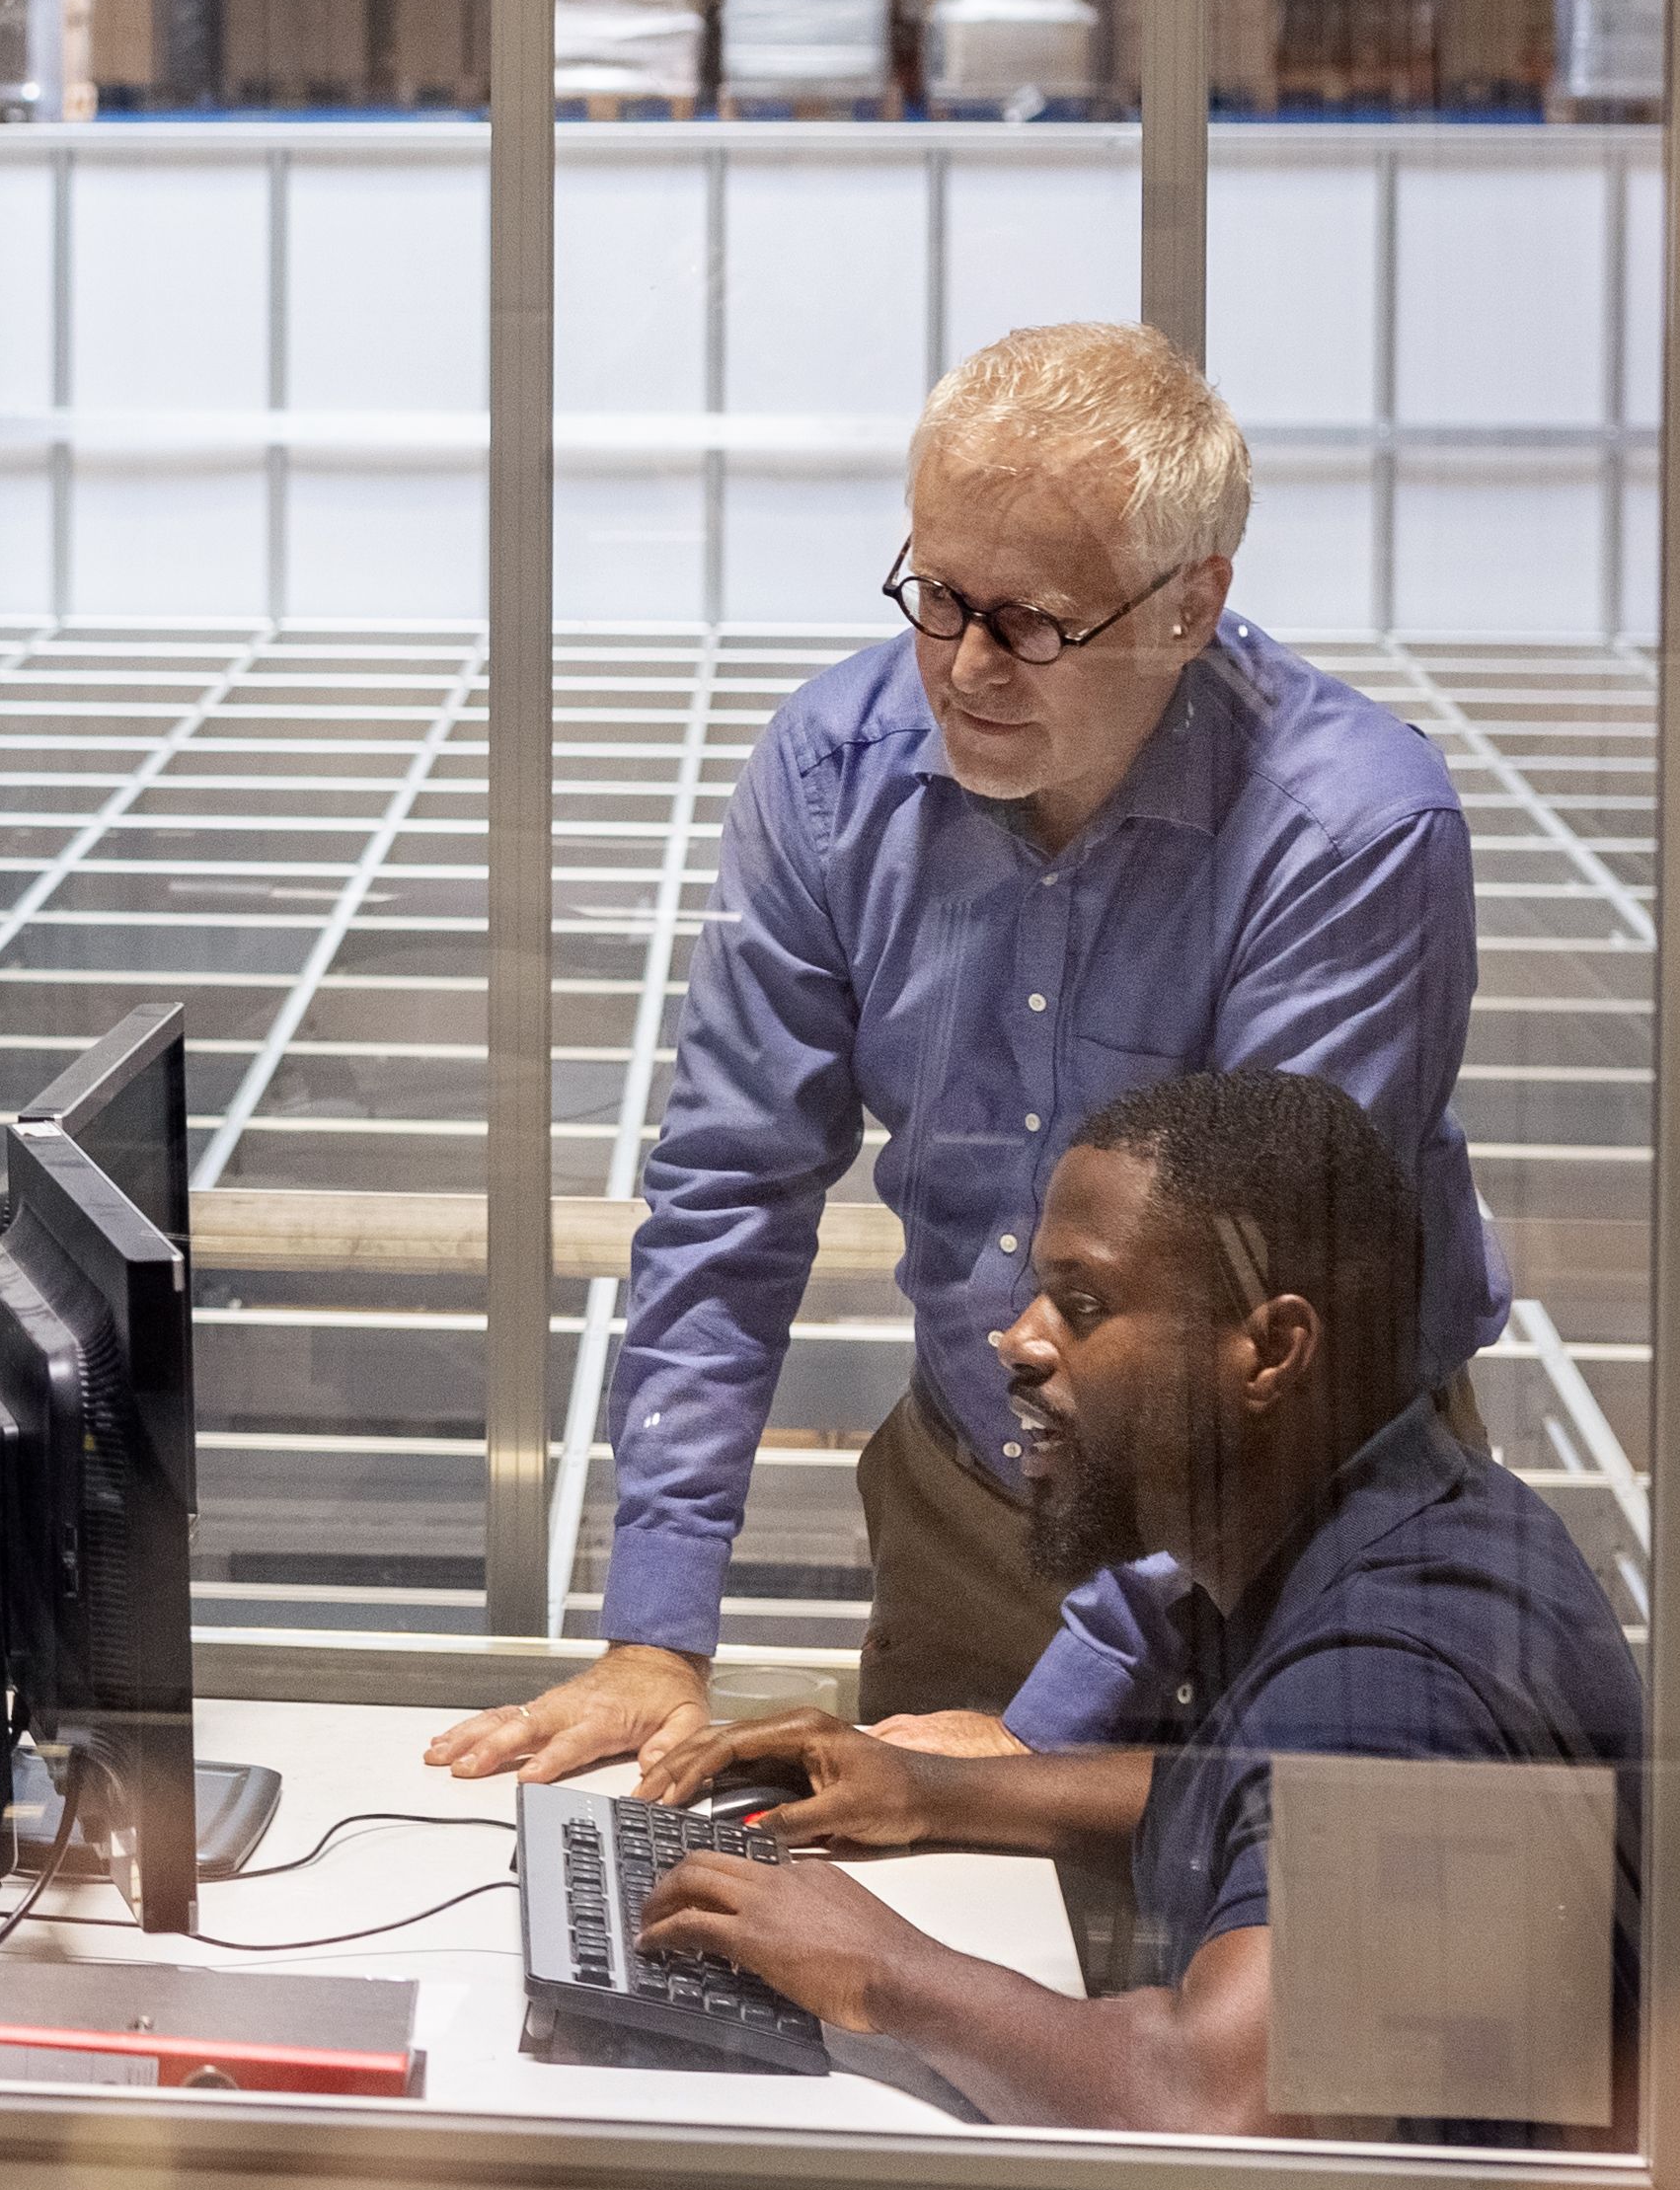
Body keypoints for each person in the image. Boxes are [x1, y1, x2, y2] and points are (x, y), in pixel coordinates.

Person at [429, 318, 1495, 1788]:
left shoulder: (1351, 834)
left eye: (1035, 620)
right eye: (938, 594)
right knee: (898, 1973)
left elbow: (1266, 1330)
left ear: (1192, 606)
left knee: (1235, 1990)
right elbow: (730, 1200)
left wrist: (1039, 1735)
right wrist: (656, 1638)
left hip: (1294, 1525)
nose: (965, 665)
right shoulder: (829, 777)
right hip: (980, 1500)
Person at [641, 1068, 1642, 2137]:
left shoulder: (1391, 1673)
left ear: (1267, 1349)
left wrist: (882, 1967)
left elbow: (1218, 2103)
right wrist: (936, 1787)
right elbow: (1262, 1789)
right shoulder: (1399, 1524)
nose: (1017, 1340)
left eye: (1080, 1304)